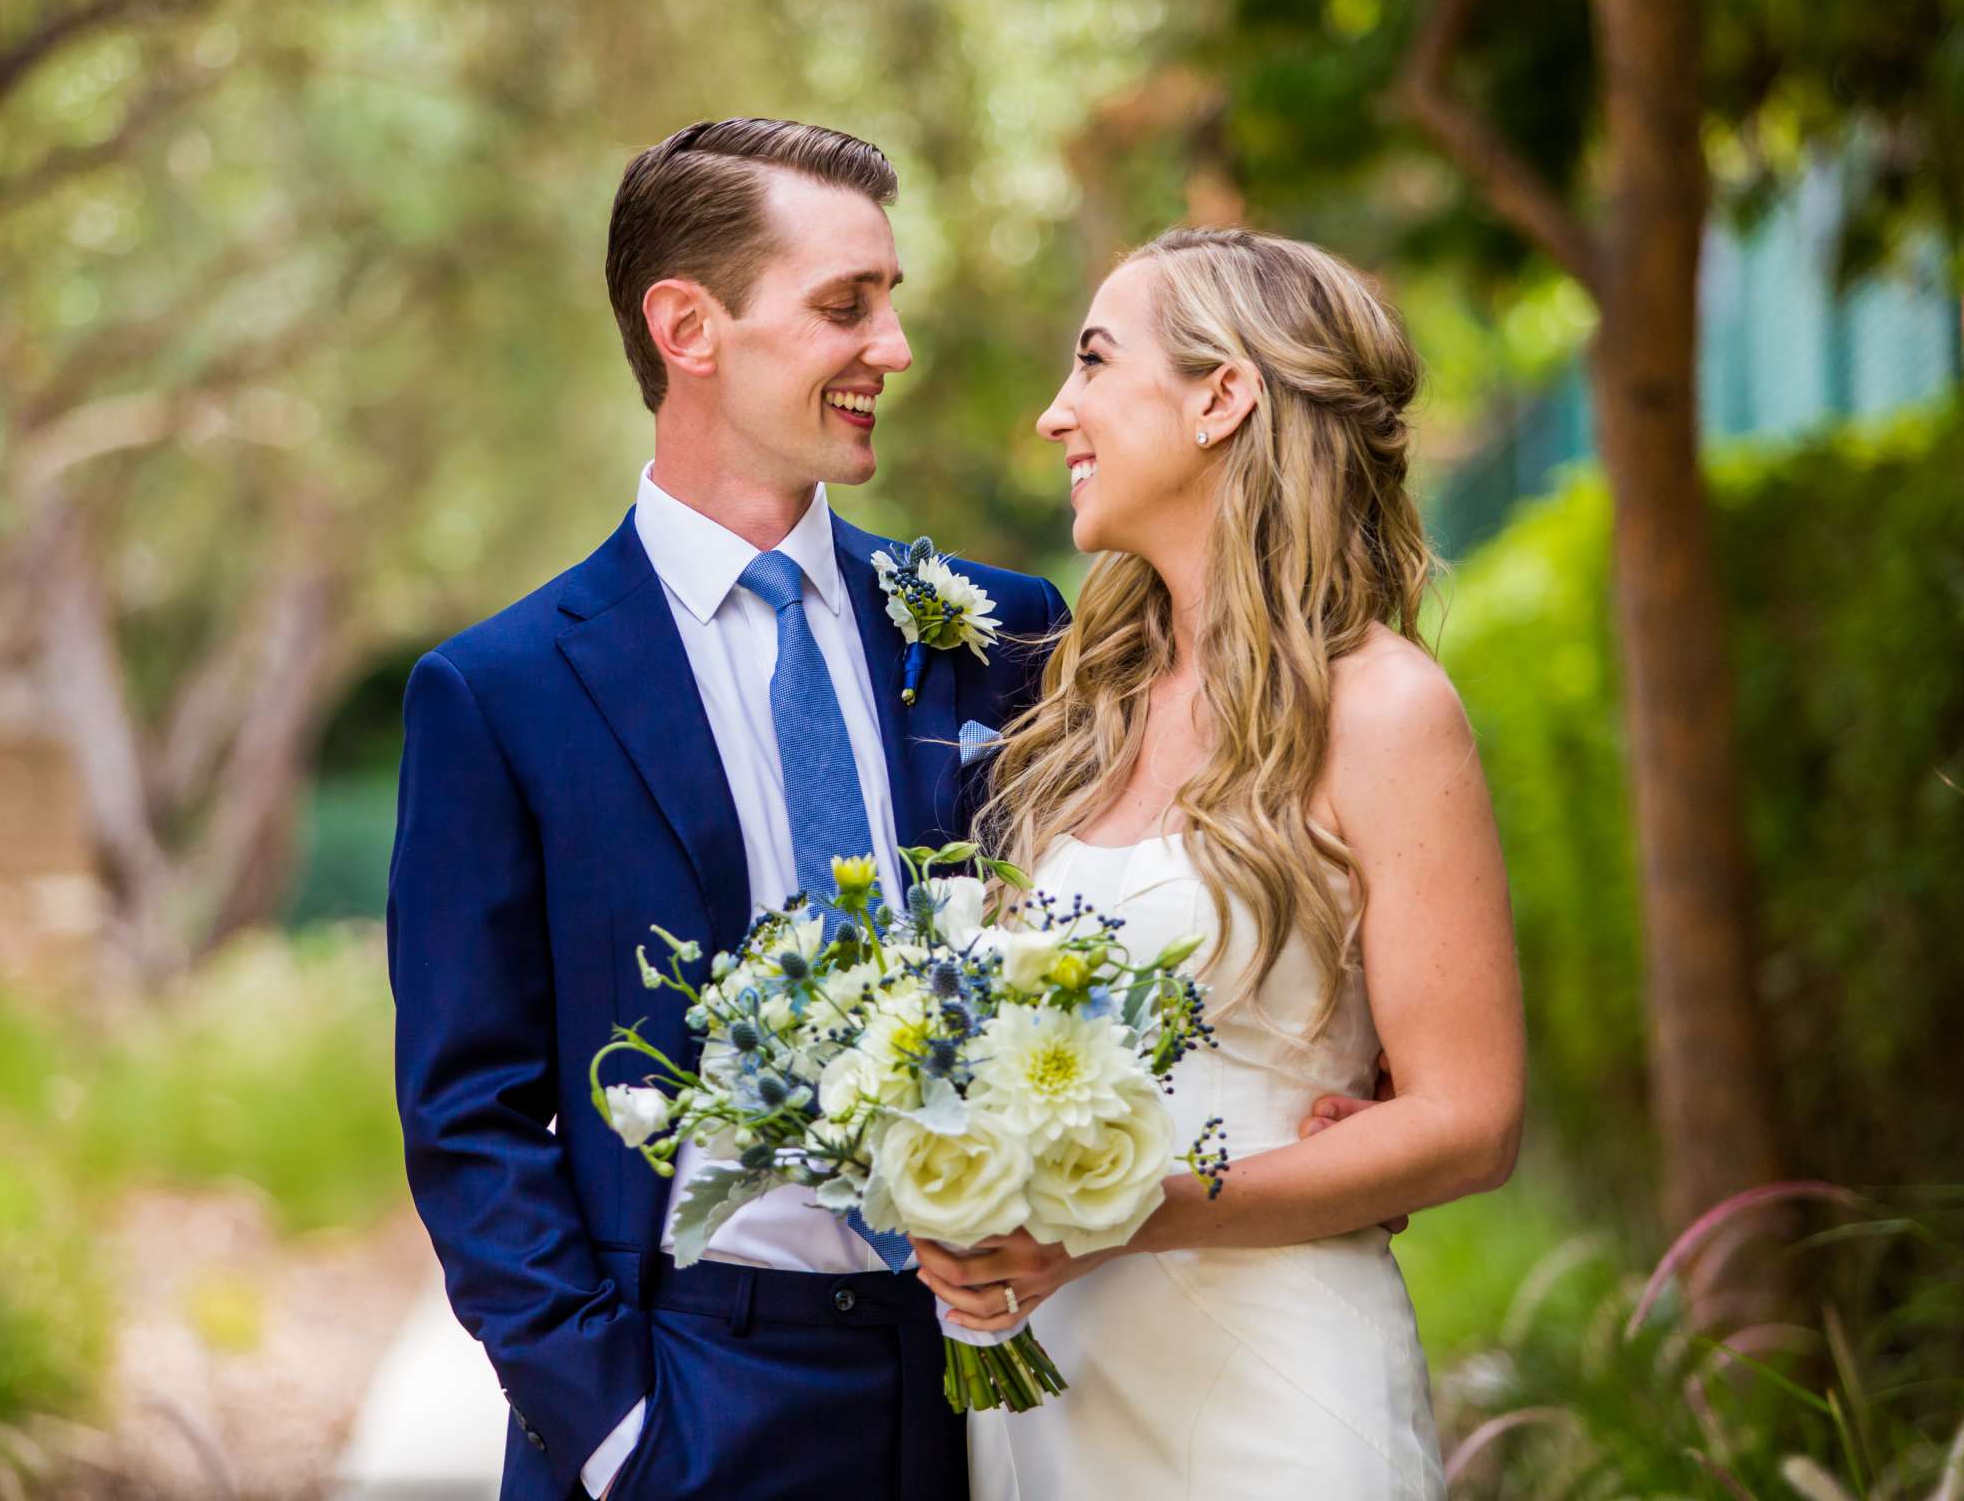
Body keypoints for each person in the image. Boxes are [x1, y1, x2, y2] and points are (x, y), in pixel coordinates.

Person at [386, 118, 1069, 1501]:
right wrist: (617, 1430)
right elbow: (472, 1113)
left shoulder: (1001, 635)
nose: (893, 348)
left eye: (891, 301)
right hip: (684, 1381)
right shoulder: (500, 693)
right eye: (844, 306)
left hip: (994, 1386)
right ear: (688, 328)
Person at [920, 227, 1528, 1500]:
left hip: (1271, 1384)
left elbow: (1469, 1121)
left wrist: (1116, 1217)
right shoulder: (1087, 708)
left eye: (1092, 362)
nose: (1054, 413)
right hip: (1057, 1387)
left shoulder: (1383, 709)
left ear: (1222, 395)